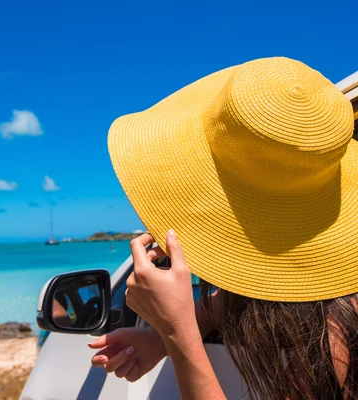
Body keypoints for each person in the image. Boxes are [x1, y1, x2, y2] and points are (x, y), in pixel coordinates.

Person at [89, 57, 358, 399]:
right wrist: (160, 337)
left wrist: (178, 335)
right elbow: (258, 292)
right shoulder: (328, 303)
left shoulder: (331, 343)